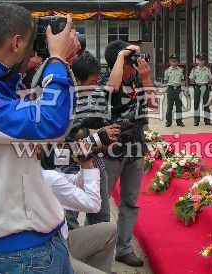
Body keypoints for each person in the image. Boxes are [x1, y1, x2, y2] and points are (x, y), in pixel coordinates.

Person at [0, 3, 80, 273]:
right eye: (33, 44)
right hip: (22, 256)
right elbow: (49, 123)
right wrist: (56, 61)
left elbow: (57, 126)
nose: (35, 52)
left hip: (41, 247)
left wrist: (58, 63)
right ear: (16, 42)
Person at [103, 40, 157, 267]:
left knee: (130, 201)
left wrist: (146, 78)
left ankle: (123, 249)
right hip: (111, 149)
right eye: (131, 58)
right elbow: (112, 90)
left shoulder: (138, 80)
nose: (137, 61)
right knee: (100, 203)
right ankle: (97, 250)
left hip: (135, 146)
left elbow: (153, 103)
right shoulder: (107, 80)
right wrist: (120, 56)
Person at [39, 146, 117, 274]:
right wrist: (88, 165)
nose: (59, 147)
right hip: (50, 252)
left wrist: (85, 164)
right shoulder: (47, 176)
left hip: (59, 240)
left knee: (109, 230)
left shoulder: (40, 170)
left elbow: (73, 182)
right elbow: (93, 205)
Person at [64, 51, 117, 230]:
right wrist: (92, 132)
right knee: (69, 219)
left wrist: (108, 136)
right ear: (77, 80)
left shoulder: (98, 94)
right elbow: (63, 132)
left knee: (101, 216)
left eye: (97, 82)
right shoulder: (63, 98)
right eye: (92, 82)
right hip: (69, 164)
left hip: (95, 161)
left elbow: (104, 122)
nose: (96, 87)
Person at [189, 52, 212, 126]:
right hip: (197, 87)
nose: (201, 62)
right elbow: (191, 79)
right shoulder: (194, 70)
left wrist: (206, 82)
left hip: (205, 87)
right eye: (199, 60)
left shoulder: (207, 70)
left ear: (204, 61)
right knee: (196, 104)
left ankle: (207, 120)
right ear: (198, 61)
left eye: (202, 60)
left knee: (206, 104)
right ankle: (196, 120)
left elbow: (211, 79)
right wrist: (197, 83)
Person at [164, 54, 184, 127]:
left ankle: (179, 121)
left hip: (178, 89)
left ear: (177, 62)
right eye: (173, 61)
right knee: (170, 106)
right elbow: (166, 80)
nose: (174, 63)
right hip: (171, 89)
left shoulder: (181, 70)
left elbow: (182, 79)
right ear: (170, 62)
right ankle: (168, 122)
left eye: (175, 61)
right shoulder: (167, 71)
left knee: (179, 106)